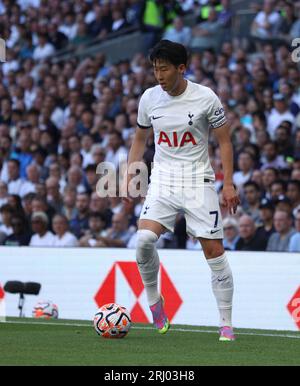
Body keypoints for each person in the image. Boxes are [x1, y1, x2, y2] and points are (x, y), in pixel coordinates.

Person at [124, 40, 240, 341]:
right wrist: (131, 172)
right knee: (144, 242)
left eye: (164, 69)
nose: (158, 76)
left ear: (181, 68)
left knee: (213, 252)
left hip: (198, 181)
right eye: (155, 70)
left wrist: (227, 183)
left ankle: (226, 322)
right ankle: (154, 301)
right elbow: (139, 138)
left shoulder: (206, 98)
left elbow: (225, 142)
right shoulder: (149, 99)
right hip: (163, 180)